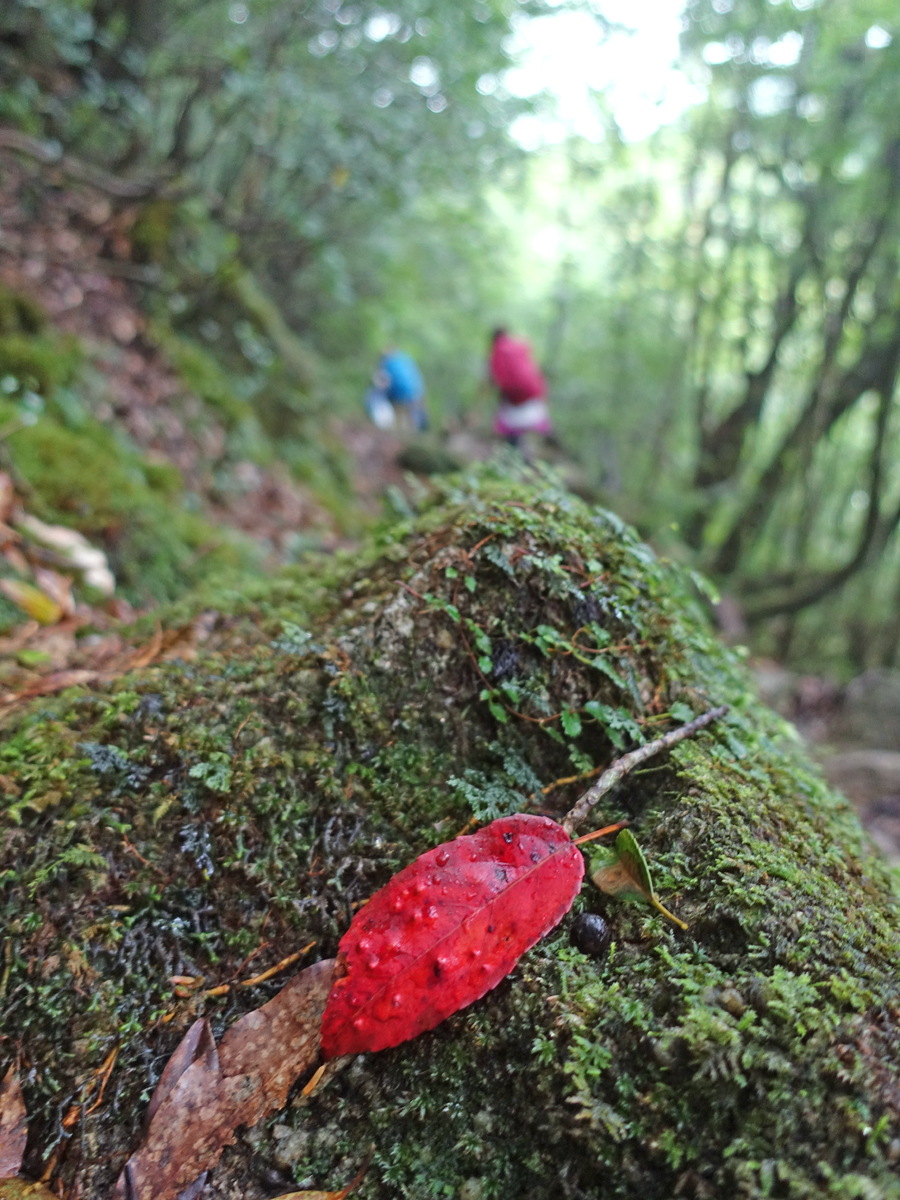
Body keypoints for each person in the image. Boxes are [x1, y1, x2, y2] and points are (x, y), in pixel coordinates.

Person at [487, 327, 552, 450]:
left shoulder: (495, 353)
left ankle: (516, 456)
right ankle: (545, 451)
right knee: (538, 433)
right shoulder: (520, 346)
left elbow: (492, 382)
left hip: (512, 401)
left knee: (513, 438)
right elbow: (536, 370)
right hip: (533, 396)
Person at [366, 348, 429, 433]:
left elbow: (382, 382)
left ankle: (398, 433)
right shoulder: (406, 360)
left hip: (400, 395)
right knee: (413, 419)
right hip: (417, 394)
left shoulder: (387, 364)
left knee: (400, 418)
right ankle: (415, 434)